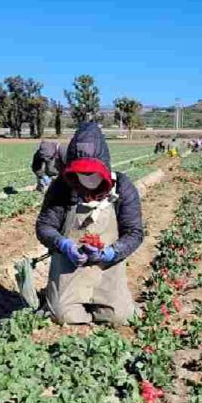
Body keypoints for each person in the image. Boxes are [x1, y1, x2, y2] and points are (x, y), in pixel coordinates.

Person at [36, 122, 143, 325]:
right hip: (70, 266)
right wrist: (63, 245)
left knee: (120, 317)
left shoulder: (122, 186)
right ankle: (63, 300)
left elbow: (134, 232)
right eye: (80, 175)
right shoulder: (62, 187)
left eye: (91, 175)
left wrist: (110, 252)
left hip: (106, 267)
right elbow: (44, 226)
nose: (86, 182)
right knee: (61, 316)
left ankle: (105, 302)